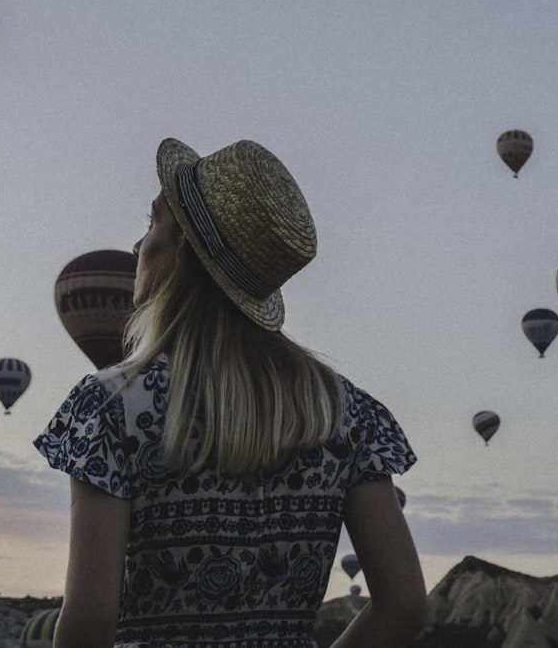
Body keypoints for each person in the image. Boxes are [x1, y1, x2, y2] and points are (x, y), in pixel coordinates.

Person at [34, 138, 427, 648]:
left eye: (152, 223)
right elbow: (406, 605)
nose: (137, 246)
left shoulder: (109, 408)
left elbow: (88, 624)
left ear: (183, 253)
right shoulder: (346, 413)